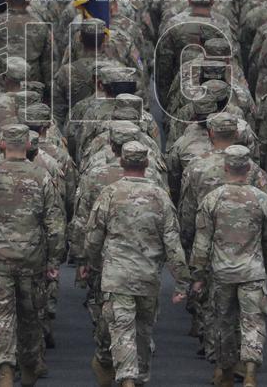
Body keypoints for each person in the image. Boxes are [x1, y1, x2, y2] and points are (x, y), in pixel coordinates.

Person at [82, 140, 191, 387]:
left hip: (117, 275)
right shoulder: (160, 197)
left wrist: (90, 263)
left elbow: (93, 236)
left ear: (121, 162)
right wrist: (181, 280)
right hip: (148, 277)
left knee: (122, 330)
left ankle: (127, 378)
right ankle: (137, 377)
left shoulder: (109, 194)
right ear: (147, 163)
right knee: (142, 331)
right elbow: (173, 243)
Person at [0, 124, 65, 387]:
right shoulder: (43, 177)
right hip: (33, 258)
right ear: (29, 147)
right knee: (31, 313)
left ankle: (5, 367)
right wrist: (54, 260)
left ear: (1, 145)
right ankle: (30, 364)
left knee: (1, 315)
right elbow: (56, 223)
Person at [190, 145, 267, 387]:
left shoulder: (213, 199)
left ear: (225, 168)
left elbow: (201, 243)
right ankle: (250, 371)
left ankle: (225, 372)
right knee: (253, 322)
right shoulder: (262, 199)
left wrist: (198, 274)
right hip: (252, 271)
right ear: (249, 167)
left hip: (222, 273)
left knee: (223, 323)